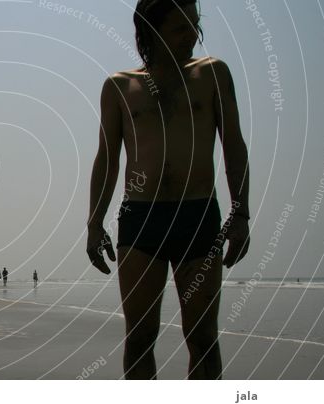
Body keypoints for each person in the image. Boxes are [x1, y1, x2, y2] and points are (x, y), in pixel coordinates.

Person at [86, 0, 250, 380]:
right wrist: (94, 224)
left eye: (195, 24)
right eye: (181, 28)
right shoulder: (120, 87)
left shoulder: (212, 75)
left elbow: (234, 146)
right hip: (142, 220)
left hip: (197, 215)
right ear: (152, 32)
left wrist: (240, 213)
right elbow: (107, 160)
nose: (193, 34)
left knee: (203, 338)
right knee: (140, 336)